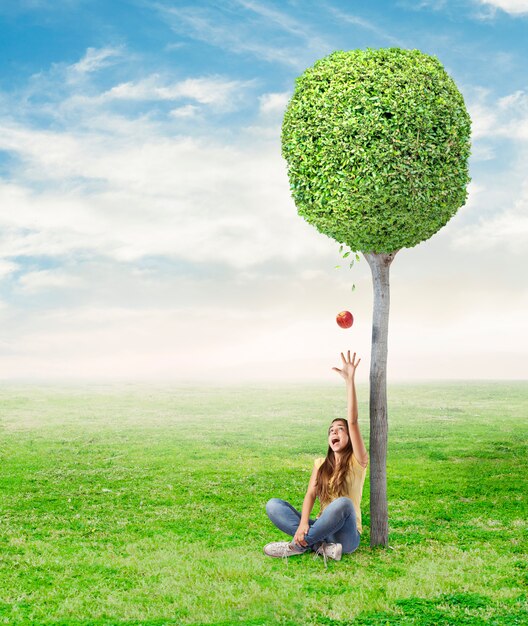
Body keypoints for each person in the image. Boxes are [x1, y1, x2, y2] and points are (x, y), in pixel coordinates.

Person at [263, 351, 368, 563]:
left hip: (346, 536)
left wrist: (350, 382)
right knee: (273, 505)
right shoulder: (321, 464)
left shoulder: (358, 461)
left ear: (350, 435)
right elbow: (310, 495)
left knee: (343, 504)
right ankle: (321, 546)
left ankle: (297, 546)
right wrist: (303, 524)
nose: (334, 433)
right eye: (331, 431)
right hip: (323, 529)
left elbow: (354, 420)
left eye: (340, 429)